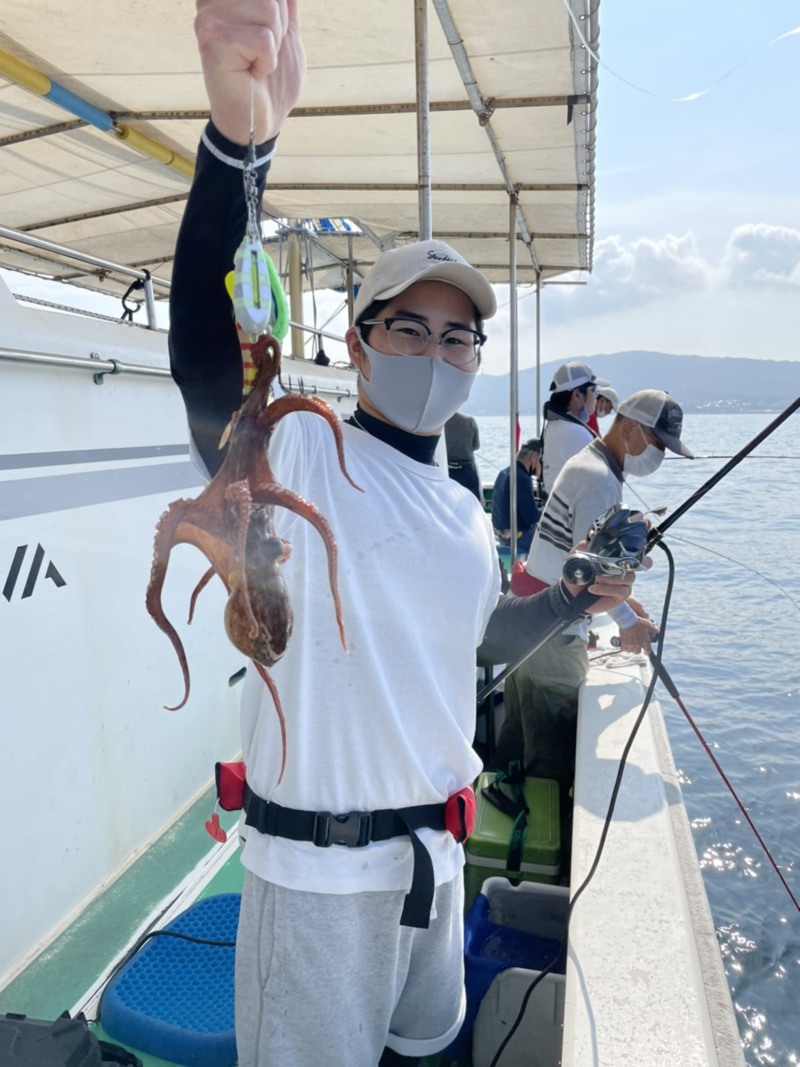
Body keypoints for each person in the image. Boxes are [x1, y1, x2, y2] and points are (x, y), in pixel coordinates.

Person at [170, 5, 639, 1064]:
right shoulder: (302, 451)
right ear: (359, 339)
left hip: (431, 863)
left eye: (457, 337)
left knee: (427, 1052)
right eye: (408, 328)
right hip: (317, 883)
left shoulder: (467, 510)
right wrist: (236, 142)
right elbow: (207, 359)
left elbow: (473, 638)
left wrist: (569, 600)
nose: (435, 350)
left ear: (477, 359)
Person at [495, 389, 694, 850]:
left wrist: (626, 609)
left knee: (517, 739)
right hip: (555, 635)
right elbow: (593, 576)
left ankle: (506, 829)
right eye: (658, 443)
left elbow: (578, 564)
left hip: (532, 621)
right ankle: (541, 853)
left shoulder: (586, 460)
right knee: (548, 758)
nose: (659, 454)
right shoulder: (601, 480)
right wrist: (628, 623)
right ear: (629, 429)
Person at [540, 360, 598, 495]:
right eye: (594, 390)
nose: (596, 396)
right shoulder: (575, 432)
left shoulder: (556, 426)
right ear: (577, 395)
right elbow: (604, 476)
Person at [490, 438, 541, 555]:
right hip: (516, 539)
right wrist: (547, 508)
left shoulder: (504, 472)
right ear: (534, 457)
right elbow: (530, 518)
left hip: (501, 535)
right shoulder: (522, 478)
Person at [444, 409, 483, 504]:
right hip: (466, 470)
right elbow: (476, 446)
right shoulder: (469, 420)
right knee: (473, 503)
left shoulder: (440, 422)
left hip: (446, 470)